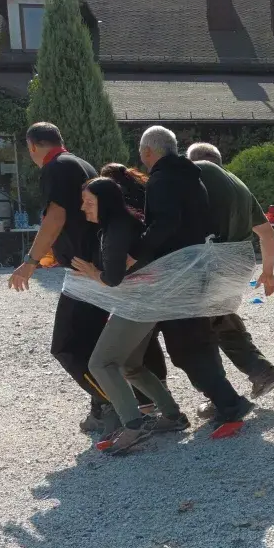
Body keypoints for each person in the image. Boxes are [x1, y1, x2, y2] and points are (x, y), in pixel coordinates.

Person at [133, 126, 252, 427]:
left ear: (148, 151)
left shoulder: (161, 180)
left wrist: (137, 251)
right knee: (196, 341)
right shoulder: (191, 176)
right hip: (199, 266)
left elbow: (165, 224)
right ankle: (224, 401)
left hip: (177, 273)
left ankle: (230, 403)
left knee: (186, 347)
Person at [8, 123, 118, 431]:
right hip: (94, 264)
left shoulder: (54, 167)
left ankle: (114, 404)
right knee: (91, 344)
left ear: (32, 146)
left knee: (66, 346)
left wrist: (29, 261)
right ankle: (103, 407)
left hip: (86, 270)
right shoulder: (79, 163)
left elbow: (56, 216)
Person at [72, 177, 189, 453]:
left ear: (107, 204)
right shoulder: (120, 224)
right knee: (131, 365)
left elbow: (112, 278)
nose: (83, 208)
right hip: (149, 300)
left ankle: (133, 426)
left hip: (140, 302)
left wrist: (91, 273)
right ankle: (172, 416)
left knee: (101, 363)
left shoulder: (116, 230)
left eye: (89, 203)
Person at [185, 142, 274, 411]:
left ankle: (220, 397)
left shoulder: (196, 182)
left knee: (201, 331)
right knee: (222, 319)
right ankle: (260, 370)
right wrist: (268, 272)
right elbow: (267, 233)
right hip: (237, 266)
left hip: (207, 266)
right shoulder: (240, 187)